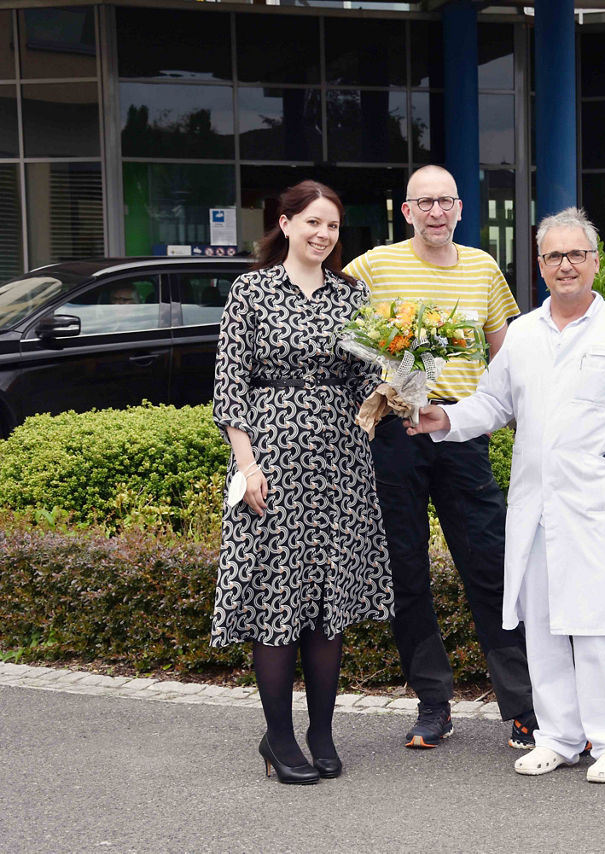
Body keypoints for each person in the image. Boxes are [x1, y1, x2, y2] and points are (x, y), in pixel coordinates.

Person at [408, 208, 605, 784]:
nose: (565, 265)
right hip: (535, 506)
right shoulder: (522, 333)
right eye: (554, 256)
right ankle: (560, 736)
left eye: (576, 254)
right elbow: (493, 404)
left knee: (599, 627)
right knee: (543, 628)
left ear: (595, 262)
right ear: (540, 266)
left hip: (597, 504)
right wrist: (443, 419)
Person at [343, 165, 536, 751]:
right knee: (406, 569)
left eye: (445, 201)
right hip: (394, 433)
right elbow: (334, 324)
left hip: (461, 431)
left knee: (491, 565)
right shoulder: (373, 266)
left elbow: (507, 355)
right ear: (406, 211)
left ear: (459, 208)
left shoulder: (483, 268)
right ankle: (433, 704)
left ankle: (524, 707)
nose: (435, 212)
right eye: (423, 202)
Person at [210, 180, 392, 785]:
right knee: (277, 597)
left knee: (325, 602)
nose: (323, 234)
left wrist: (401, 378)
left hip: (341, 465)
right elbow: (231, 387)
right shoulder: (251, 291)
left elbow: (365, 377)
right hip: (273, 464)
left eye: (332, 226)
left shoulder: (352, 295)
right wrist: (247, 466)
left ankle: (321, 732)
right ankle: (280, 738)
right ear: (285, 223)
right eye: (313, 222)